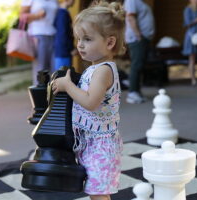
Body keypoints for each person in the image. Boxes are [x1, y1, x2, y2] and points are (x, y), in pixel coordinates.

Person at [52, 2, 124, 200]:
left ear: (109, 43)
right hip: (91, 142)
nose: (80, 45)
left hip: (101, 145)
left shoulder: (103, 70)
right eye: (78, 39)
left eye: (88, 39)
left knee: (98, 194)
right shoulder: (95, 69)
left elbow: (91, 101)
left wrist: (68, 86)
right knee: (94, 192)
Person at [20, 0, 58, 85]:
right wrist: (37, 15)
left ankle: (51, 97)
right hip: (38, 36)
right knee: (41, 71)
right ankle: (38, 96)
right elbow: (22, 17)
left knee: (55, 70)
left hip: (54, 35)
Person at [124, 0, 155, 104]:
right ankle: (132, 93)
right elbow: (130, 17)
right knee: (136, 65)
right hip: (137, 39)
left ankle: (137, 91)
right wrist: (138, 35)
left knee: (140, 65)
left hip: (141, 38)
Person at [53, 0, 75, 72]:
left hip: (61, 50)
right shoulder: (63, 14)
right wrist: (71, 49)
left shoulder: (60, 13)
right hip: (64, 52)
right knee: (63, 75)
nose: (74, 1)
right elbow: (63, 34)